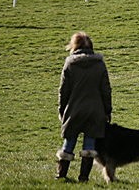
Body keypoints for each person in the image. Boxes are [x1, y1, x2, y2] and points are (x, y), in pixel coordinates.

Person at [56, 32, 112, 182]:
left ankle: (61, 175)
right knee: (89, 145)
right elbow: (106, 90)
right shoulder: (99, 64)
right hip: (95, 110)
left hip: (74, 110)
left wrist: (62, 110)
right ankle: (84, 177)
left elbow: (63, 91)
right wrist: (107, 110)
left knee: (69, 142)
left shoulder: (70, 64)